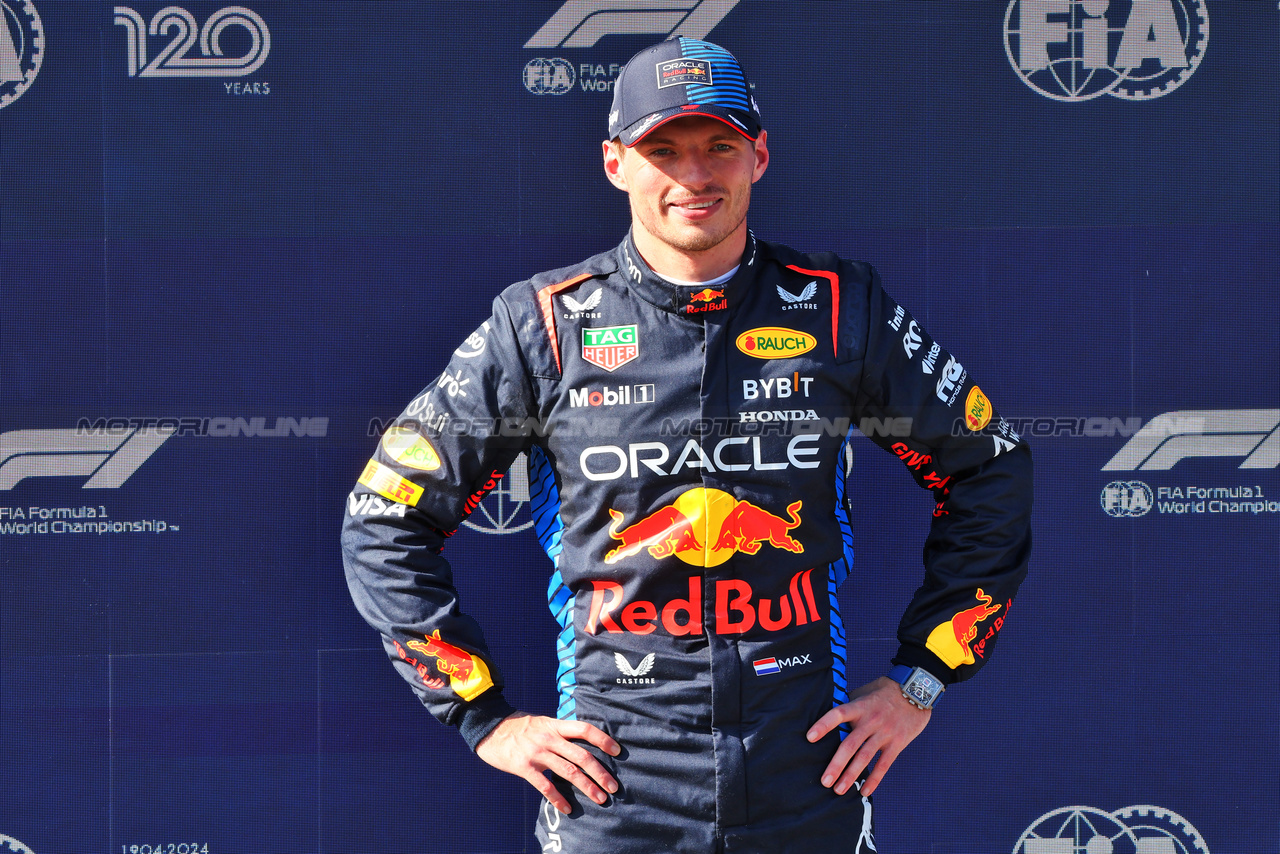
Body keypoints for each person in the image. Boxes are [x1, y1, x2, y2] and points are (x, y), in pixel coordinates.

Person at [342, 37, 1032, 854]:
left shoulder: (841, 309)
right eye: (661, 150)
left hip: (806, 779)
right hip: (613, 789)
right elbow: (384, 516)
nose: (694, 176)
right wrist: (483, 717)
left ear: (759, 156)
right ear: (614, 163)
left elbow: (990, 465)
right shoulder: (543, 326)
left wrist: (921, 681)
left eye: (719, 147)